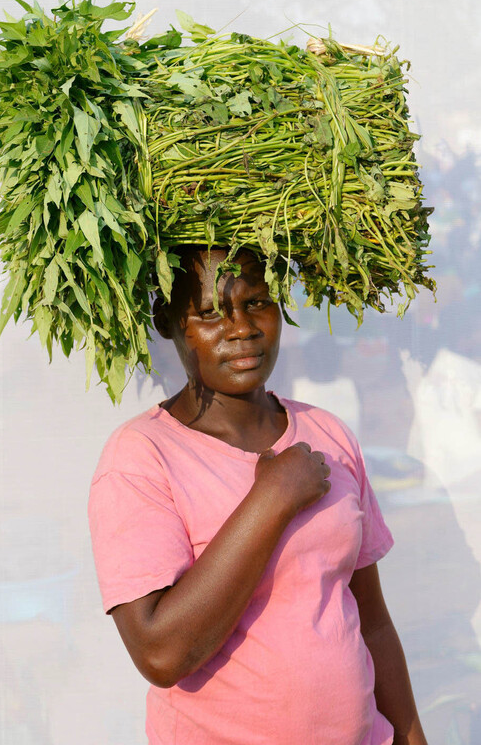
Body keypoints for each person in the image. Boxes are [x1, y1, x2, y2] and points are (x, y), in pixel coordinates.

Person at [88, 246, 428, 745]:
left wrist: (410, 733)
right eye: (209, 313)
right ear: (167, 320)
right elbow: (160, 653)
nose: (242, 328)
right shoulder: (141, 458)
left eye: (258, 303)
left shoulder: (325, 434)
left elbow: (371, 620)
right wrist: (269, 501)